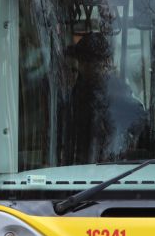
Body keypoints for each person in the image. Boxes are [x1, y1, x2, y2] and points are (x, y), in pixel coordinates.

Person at [64, 32, 150, 163]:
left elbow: (138, 121)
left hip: (107, 164)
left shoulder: (116, 90)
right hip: (79, 162)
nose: (84, 67)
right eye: (82, 62)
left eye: (91, 62)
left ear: (104, 62)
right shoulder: (78, 89)